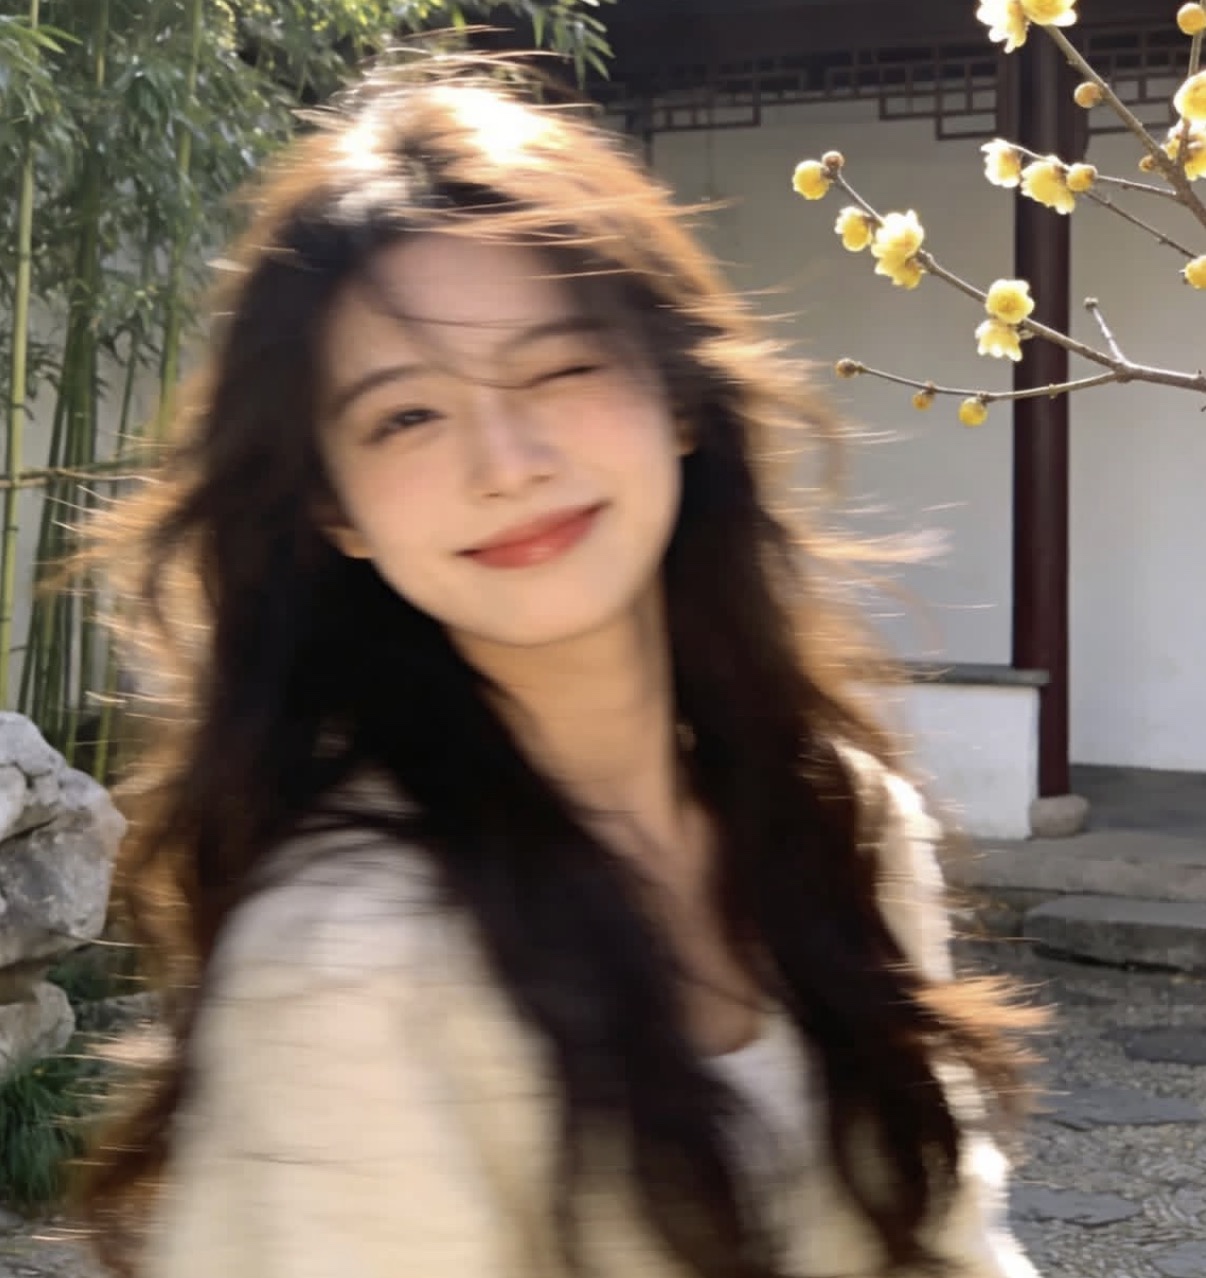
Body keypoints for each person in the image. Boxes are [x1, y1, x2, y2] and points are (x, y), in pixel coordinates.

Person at [80, 54, 1041, 1278]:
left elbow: (954, 1246)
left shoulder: (840, 821)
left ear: (676, 397)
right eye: (406, 416)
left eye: (560, 366)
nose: (508, 461)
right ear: (335, 507)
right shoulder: (354, 961)